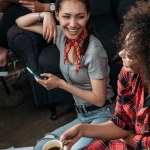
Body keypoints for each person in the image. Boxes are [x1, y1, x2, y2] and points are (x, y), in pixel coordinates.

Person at [16, 0, 115, 149]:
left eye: (80, 16)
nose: (73, 24)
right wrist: (44, 15)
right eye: (66, 16)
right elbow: (20, 22)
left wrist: (60, 84)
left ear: (87, 16)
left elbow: (99, 100)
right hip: (82, 116)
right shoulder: (61, 35)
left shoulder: (94, 51)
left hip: (104, 115)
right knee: (42, 146)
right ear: (57, 15)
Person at [60, 0, 150, 149]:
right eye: (124, 47)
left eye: (131, 54)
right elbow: (122, 125)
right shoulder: (127, 75)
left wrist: (130, 139)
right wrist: (83, 130)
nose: (120, 54)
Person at [0, 0, 56, 76]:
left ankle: (2, 61)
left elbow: (73, 6)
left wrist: (46, 7)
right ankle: (2, 62)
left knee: (12, 11)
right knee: (11, 9)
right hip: (45, 9)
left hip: (57, 16)